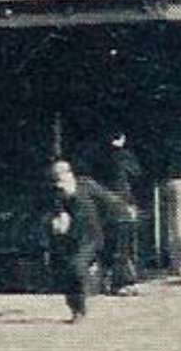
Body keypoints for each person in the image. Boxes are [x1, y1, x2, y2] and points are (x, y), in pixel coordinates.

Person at [45, 160, 120, 322]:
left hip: (91, 236)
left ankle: (82, 303)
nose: (58, 180)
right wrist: (57, 223)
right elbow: (58, 215)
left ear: (69, 173)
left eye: (61, 174)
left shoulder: (86, 185)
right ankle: (75, 308)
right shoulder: (56, 193)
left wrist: (119, 211)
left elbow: (108, 199)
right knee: (68, 273)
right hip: (69, 239)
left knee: (77, 266)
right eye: (55, 176)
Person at [100, 133, 145, 292]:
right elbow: (136, 174)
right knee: (124, 245)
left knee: (112, 245)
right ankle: (123, 282)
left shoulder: (103, 157)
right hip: (123, 204)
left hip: (108, 205)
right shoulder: (125, 157)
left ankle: (111, 280)